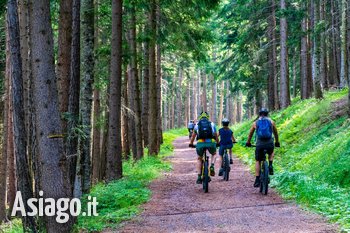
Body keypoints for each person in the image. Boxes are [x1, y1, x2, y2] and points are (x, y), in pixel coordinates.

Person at [245, 108, 280, 187]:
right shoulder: (271, 122)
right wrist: (277, 142)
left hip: (260, 143)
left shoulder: (256, 123)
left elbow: (250, 134)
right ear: (267, 114)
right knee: (271, 152)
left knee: (258, 160)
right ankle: (270, 164)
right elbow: (276, 133)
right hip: (269, 142)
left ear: (259, 114)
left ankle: (257, 179)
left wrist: (248, 142)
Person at [189, 112, 219, 184]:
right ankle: (212, 165)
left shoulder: (197, 125)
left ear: (200, 117)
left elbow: (193, 136)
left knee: (199, 158)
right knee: (214, 154)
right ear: (207, 117)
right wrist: (218, 142)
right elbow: (215, 135)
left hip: (200, 143)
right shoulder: (212, 124)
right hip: (211, 143)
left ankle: (199, 177)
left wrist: (191, 143)